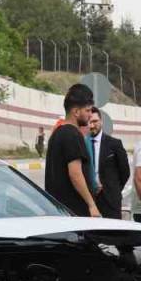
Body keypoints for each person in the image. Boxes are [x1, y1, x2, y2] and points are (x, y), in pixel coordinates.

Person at [44, 84, 100, 217]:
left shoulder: (58, 133)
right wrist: (92, 205)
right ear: (76, 112)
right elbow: (75, 174)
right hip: (74, 213)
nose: (90, 115)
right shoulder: (73, 134)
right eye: (87, 111)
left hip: (59, 210)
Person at [87, 107, 130, 219]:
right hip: (87, 200)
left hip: (110, 201)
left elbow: (125, 172)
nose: (92, 125)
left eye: (95, 121)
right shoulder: (81, 144)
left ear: (101, 121)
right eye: (89, 122)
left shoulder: (114, 144)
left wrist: (113, 189)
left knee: (113, 234)